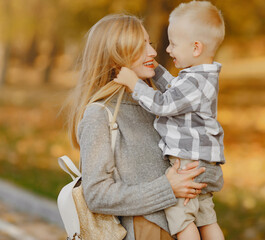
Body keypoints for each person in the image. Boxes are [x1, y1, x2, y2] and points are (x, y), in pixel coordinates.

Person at [66, 14, 224, 240]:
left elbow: (194, 158)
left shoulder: (162, 104)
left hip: (188, 226)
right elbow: (96, 195)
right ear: (114, 59)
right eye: (139, 47)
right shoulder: (100, 114)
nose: (152, 52)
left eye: (149, 43)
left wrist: (202, 174)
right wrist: (166, 189)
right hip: (146, 230)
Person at [114, 1, 226, 240]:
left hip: (186, 162)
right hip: (203, 160)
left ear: (196, 48)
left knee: (182, 219)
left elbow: (163, 104)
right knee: (207, 218)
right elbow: (174, 90)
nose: (168, 50)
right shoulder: (201, 77)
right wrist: (158, 69)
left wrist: (134, 84)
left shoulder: (194, 81)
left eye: (174, 44)